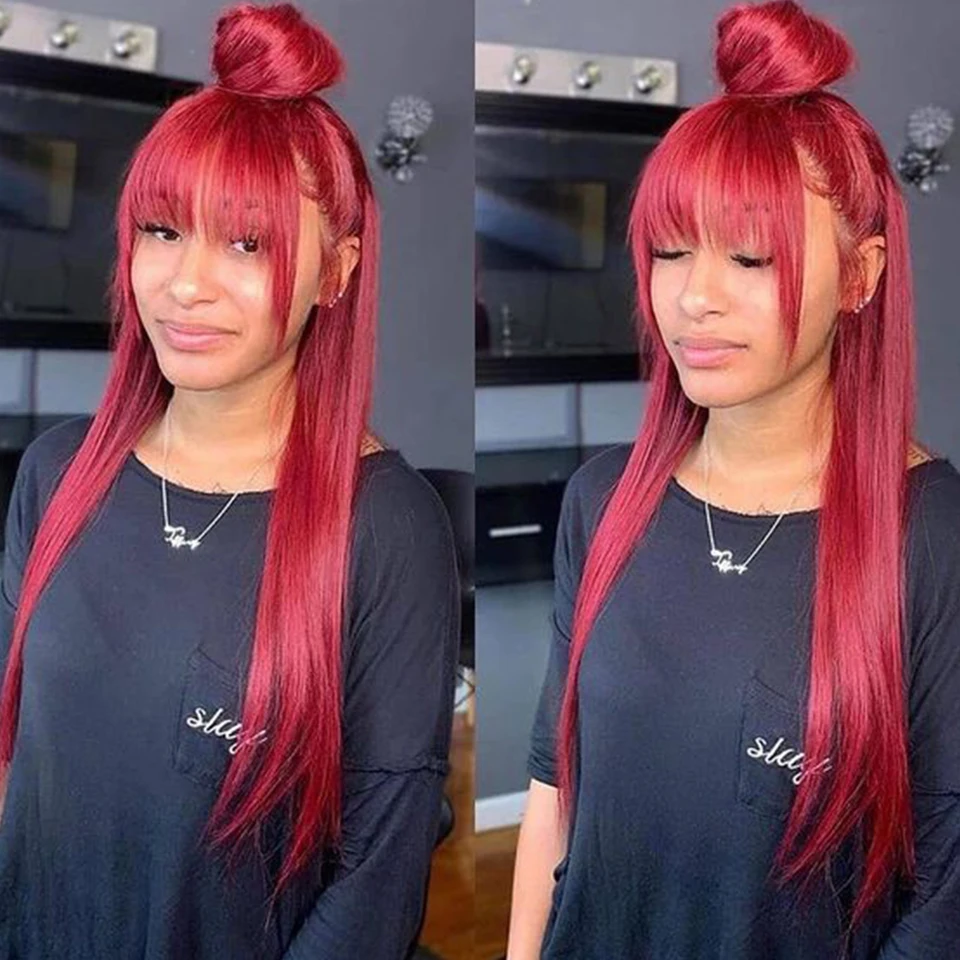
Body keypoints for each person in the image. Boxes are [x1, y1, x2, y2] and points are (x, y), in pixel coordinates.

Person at [0, 5, 459, 959]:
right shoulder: (56, 476)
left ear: (336, 270)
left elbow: (379, 874)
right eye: (163, 231)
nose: (185, 284)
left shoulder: (386, 526)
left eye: (247, 244)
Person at [508, 2, 960, 958]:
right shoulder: (603, 501)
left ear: (861, 275)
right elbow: (554, 790)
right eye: (671, 252)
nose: (694, 297)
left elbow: (944, 889)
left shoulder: (931, 537)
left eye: (751, 257)